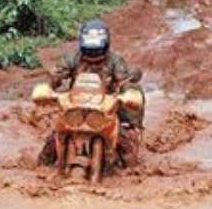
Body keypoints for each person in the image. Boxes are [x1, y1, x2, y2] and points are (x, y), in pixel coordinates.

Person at [49, 19, 144, 164]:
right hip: (77, 105)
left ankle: (132, 133)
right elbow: (57, 75)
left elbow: (123, 79)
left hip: (106, 108)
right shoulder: (72, 58)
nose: (93, 51)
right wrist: (50, 88)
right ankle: (40, 169)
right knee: (53, 139)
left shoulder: (115, 61)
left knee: (127, 150)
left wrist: (126, 93)